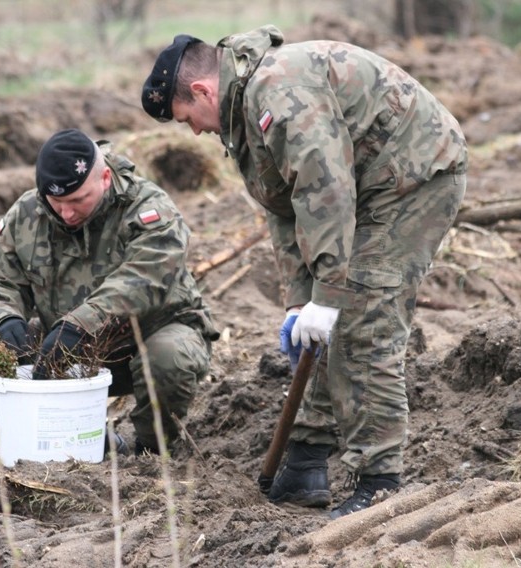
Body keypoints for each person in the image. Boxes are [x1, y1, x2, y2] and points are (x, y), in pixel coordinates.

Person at [142, 26, 467, 519]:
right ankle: (308, 460)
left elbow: (327, 187)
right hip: (366, 186)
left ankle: (379, 481)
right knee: (323, 324)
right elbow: (286, 208)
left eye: (189, 118)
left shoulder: (279, 88)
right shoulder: (243, 109)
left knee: (363, 321)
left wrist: (330, 291)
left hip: (413, 177)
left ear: (204, 90)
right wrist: (301, 298)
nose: (196, 133)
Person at [0, 128, 219, 456]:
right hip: (66, 347)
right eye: (56, 202)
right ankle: (80, 436)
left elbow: (143, 279)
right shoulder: (28, 213)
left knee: (169, 359)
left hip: (146, 340)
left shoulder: (148, 208)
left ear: (105, 178)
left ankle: (151, 449)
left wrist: (81, 324)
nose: (66, 213)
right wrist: (6, 320)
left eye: (77, 200)